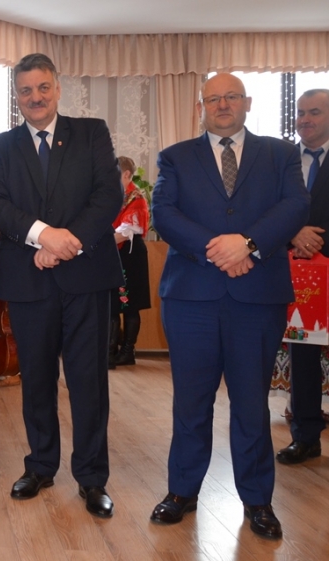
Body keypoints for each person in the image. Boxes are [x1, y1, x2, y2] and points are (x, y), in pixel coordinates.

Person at [149, 73, 309, 540]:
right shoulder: (175, 156)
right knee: (191, 402)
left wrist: (249, 244)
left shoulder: (280, 153)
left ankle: (258, 500)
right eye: (213, 98)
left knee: (251, 403)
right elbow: (164, 213)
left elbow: (295, 205)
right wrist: (219, 249)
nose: (222, 105)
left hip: (256, 298)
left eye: (231, 97)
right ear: (201, 106)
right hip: (191, 298)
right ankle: (182, 491)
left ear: (247, 102)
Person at [0, 53, 123, 519]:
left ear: (58, 89)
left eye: (43, 87)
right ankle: (41, 466)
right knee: (36, 380)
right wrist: (43, 236)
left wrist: (68, 242)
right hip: (29, 279)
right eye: (26, 90)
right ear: (16, 96)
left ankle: (92, 478)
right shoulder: (0, 147)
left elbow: (109, 195)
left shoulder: (92, 132)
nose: (35, 97)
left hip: (86, 278)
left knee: (88, 382)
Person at [276, 88, 329, 465]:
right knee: (304, 355)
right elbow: (265, 208)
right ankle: (306, 436)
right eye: (301, 112)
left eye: (315, 112)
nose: (305, 119)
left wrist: (316, 240)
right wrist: (294, 233)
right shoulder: (281, 161)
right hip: (297, 274)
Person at [109, 156, 151, 368]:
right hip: (115, 253)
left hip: (130, 255)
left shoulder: (136, 198)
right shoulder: (117, 196)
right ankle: (111, 351)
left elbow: (124, 233)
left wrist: (96, 243)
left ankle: (127, 352)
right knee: (113, 304)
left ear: (126, 174)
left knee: (129, 305)